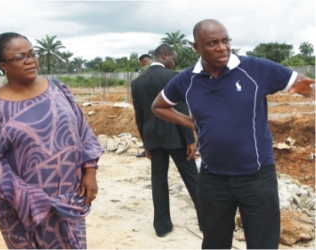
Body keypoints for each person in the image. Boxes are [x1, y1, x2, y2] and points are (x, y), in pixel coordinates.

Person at [152, 19, 315, 249]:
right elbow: (158, 106)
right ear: (197, 47)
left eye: (226, 40)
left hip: (257, 178)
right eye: (213, 43)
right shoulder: (187, 80)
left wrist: (311, 90)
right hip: (213, 180)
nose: (222, 47)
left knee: (263, 245)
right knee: (215, 244)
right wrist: (191, 123)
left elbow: (305, 86)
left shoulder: (256, 69)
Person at [0, 32, 104, 249]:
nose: (30, 61)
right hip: (24, 212)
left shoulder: (59, 90)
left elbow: (82, 131)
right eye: (21, 57)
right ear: (3, 65)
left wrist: (90, 172)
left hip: (69, 201)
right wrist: (31, 199)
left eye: (32, 54)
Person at [131, 44, 201, 237]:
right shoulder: (174, 77)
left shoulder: (137, 82)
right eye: (173, 58)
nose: (174, 62)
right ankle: (206, 221)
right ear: (165, 56)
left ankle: (162, 227)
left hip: (153, 137)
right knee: (192, 178)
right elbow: (179, 109)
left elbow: (140, 115)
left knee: (158, 181)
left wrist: (146, 144)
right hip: (176, 137)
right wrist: (190, 139)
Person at [135, 53, 153, 158]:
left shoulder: (144, 69)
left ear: (143, 61)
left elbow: (141, 84)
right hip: (161, 102)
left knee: (145, 126)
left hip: (147, 102)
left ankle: (147, 149)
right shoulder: (160, 66)